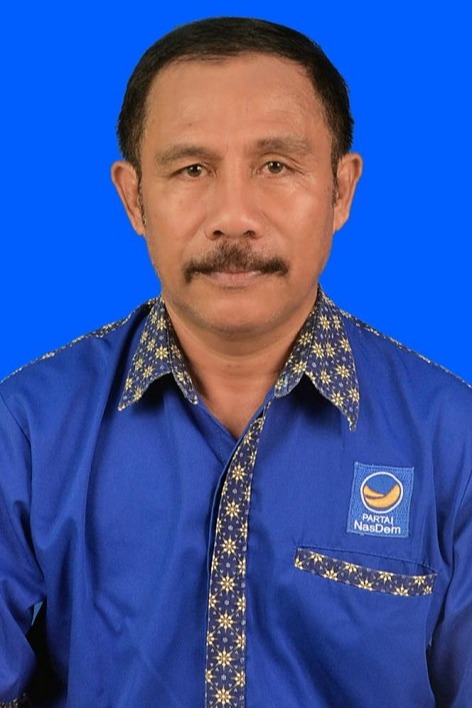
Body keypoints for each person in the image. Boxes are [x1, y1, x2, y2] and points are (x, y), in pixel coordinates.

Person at [0, 16, 470, 707]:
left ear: (340, 190)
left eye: (275, 166)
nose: (234, 215)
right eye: (192, 169)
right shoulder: (27, 429)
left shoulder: (453, 437)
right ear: (134, 198)